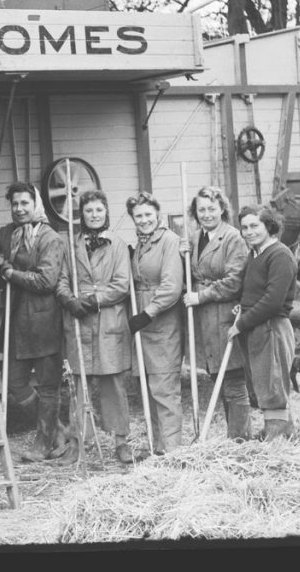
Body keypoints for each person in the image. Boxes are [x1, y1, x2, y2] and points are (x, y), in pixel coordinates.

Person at [0, 181, 66, 462]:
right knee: (15, 383)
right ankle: (59, 432)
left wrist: (11, 274)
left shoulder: (50, 238)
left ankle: (44, 444)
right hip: (17, 320)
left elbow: (46, 280)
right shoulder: (11, 234)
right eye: (14, 204)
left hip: (44, 320)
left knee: (48, 385)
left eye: (24, 203)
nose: (19, 209)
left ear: (36, 204)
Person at [54, 190, 138, 464]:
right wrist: (69, 300)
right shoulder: (71, 245)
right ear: (81, 214)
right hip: (78, 321)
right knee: (78, 384)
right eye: (89, 211)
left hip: (107, 319)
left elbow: (122, 285)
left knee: (113, 381)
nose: (94, 215)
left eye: (99, 210)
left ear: (106, 212)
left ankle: (121, 440)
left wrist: (93, 301)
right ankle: (77, 442)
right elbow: (62, 280)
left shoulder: (118, 245)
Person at [180, 186, 252, 441]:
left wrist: (201, 295)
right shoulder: (195, 239)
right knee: (219, 380)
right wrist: (183, 256)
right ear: (195, 212)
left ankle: (241, 441)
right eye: (202, 209)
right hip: (205, 321)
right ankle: (235, 436)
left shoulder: (232, 238)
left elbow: (235, 280)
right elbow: (193, 273)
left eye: (212, 208)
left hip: (223, 314)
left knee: (233, 380)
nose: (207, 214)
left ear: (222, 208)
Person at [229, 204, 298, 441]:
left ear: (269, 226)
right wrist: (243, 306)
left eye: (254, 226)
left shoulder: (279, 255)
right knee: (262, 380)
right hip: (257, 326)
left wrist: (240, 323)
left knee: (273, 381)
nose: (249, 232)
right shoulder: (255, 255)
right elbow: (255, 292)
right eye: (244, 227)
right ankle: (283, 429)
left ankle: (276, 435)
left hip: (272, 327)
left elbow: (273, 301)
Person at [126, 192, 185, 455]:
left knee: (164, 387)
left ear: (158, 215)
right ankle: (157, 447)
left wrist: (148, 312)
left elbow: (172, 286)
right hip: (144, 324)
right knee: (149, 389)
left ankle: (171, 450)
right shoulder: (141, 243)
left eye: (148, 214)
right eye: (138, 216)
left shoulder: (169, 240)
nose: (144, 220)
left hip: (162, 323)